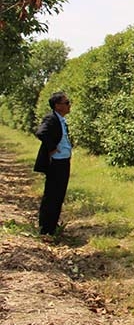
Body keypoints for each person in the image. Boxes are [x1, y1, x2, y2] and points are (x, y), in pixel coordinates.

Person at [33, 91, 72, 236]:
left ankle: (52, 227)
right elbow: (41, 133)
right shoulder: (51, 118)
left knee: (59, 195)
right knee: (51, 195)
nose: (69, 105)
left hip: (63, 162)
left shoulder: (60, 120)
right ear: (57, 106)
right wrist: (52, 149)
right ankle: (45, 229)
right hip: (56, 163)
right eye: (66, 103)